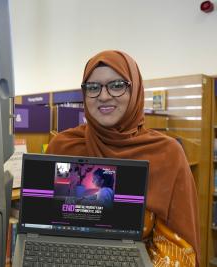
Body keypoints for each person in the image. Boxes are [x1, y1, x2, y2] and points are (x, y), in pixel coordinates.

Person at [46, 50, 200, 266]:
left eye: (117, 85)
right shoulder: (63, 146)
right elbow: (44, 223)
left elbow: (175, 249)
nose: (104, 95)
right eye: (93, 87)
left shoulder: (166, 154)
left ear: (134, 89)